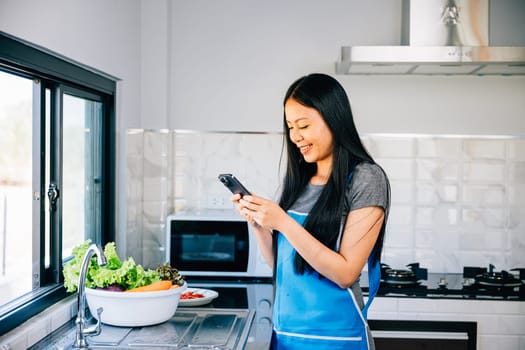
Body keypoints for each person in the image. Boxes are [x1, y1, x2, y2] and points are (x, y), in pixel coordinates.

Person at [231, 73, 390, 350]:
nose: (295, 137)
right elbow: (283, 263)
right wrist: (257, 223)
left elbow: (346, 273)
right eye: (290, 127)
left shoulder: (367, 179)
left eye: (303, 125)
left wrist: (282, 221)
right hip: (287, 337)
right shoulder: (300, 181)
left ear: (334, 119)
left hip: (337, 341)